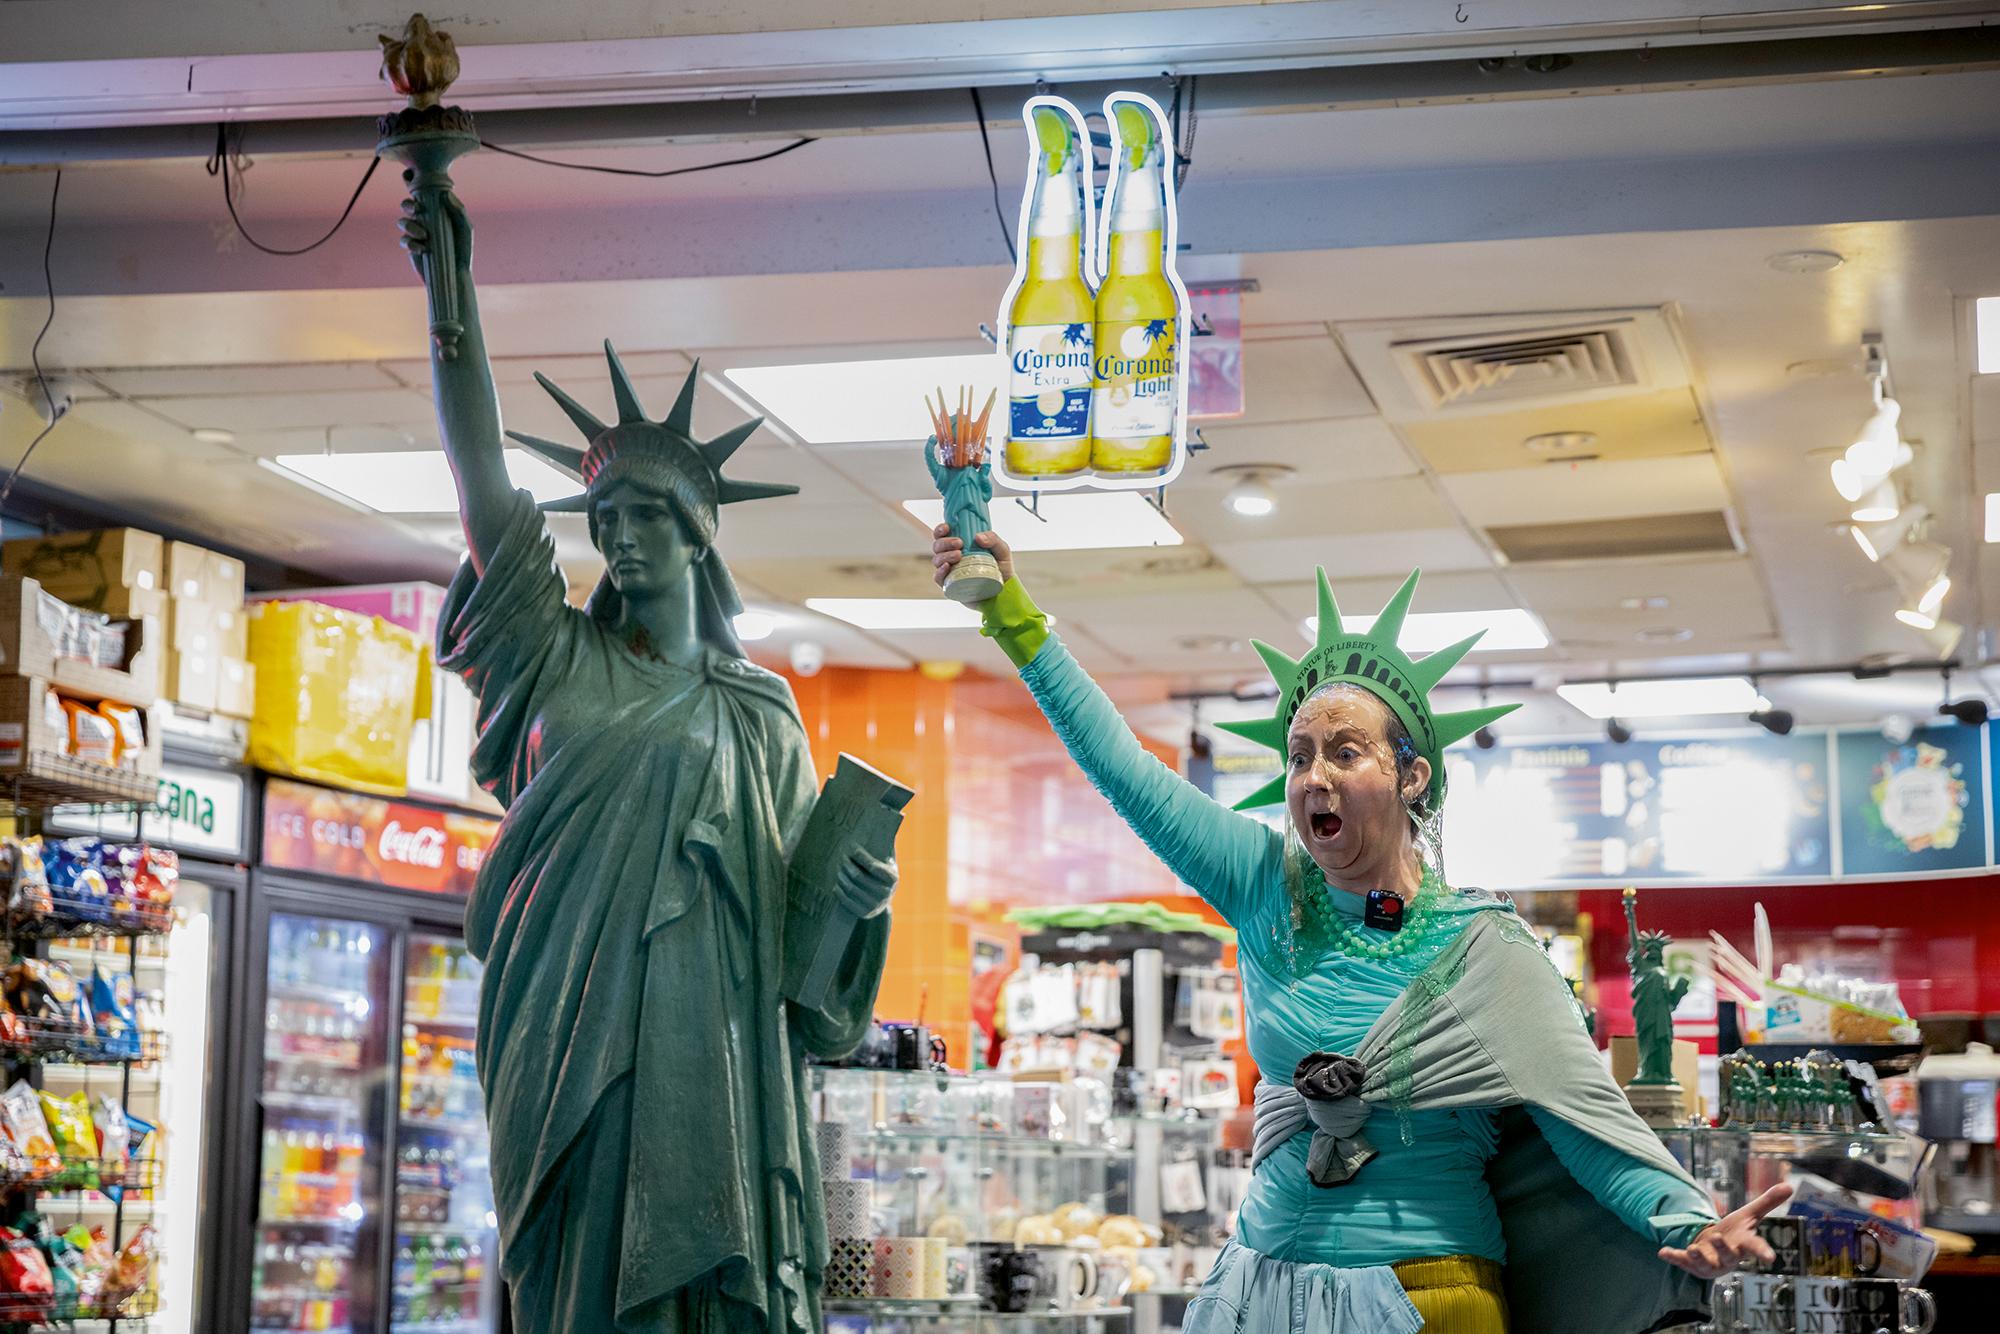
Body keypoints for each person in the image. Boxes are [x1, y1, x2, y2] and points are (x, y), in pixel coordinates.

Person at [933, 525, 1789, 1334]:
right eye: (1300, 755)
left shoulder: (1486, 953)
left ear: (1412, 776)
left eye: (1345, 752)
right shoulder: (1266, 887)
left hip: (1427, 1296)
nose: (1314, 776)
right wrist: (1010, 612)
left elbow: (1591, 1124)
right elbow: (1122, 769)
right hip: (1259, 1290)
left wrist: (1691, 1222)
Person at [397, 190, 897, 1334]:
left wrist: (856, 902)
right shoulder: (552, 656)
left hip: (710, 1050)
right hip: (558, 1019)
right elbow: (481, 486)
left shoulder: (758, 708)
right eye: (603, 515)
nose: (617, 534)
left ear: (695, 528)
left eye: (643, 514)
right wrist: (448, 292)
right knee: (573, 1283)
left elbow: (796, 930)